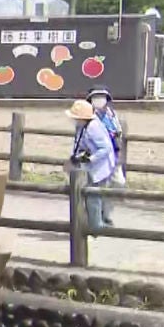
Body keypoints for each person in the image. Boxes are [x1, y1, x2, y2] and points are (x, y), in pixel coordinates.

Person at [66, 99, 117, 233]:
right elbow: (81, 144)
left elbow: (105, 148)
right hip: (94, 165)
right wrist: (77, 156)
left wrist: (90, 158)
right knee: (93, 195)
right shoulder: (84, 127)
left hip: (100, 165)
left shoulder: (93, 128)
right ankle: (96, 222)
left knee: (93, 195)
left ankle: (96, 225)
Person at [85, 86, 125, 225]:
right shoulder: (87, 116)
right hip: (96, 157)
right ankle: (96, 220)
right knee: (95, 188)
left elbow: (119, 134)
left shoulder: (111, 114)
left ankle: (105, 213)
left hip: (113, 156)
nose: (99, 100)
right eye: (96, 97)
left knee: (118, 183)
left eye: (102, 97)